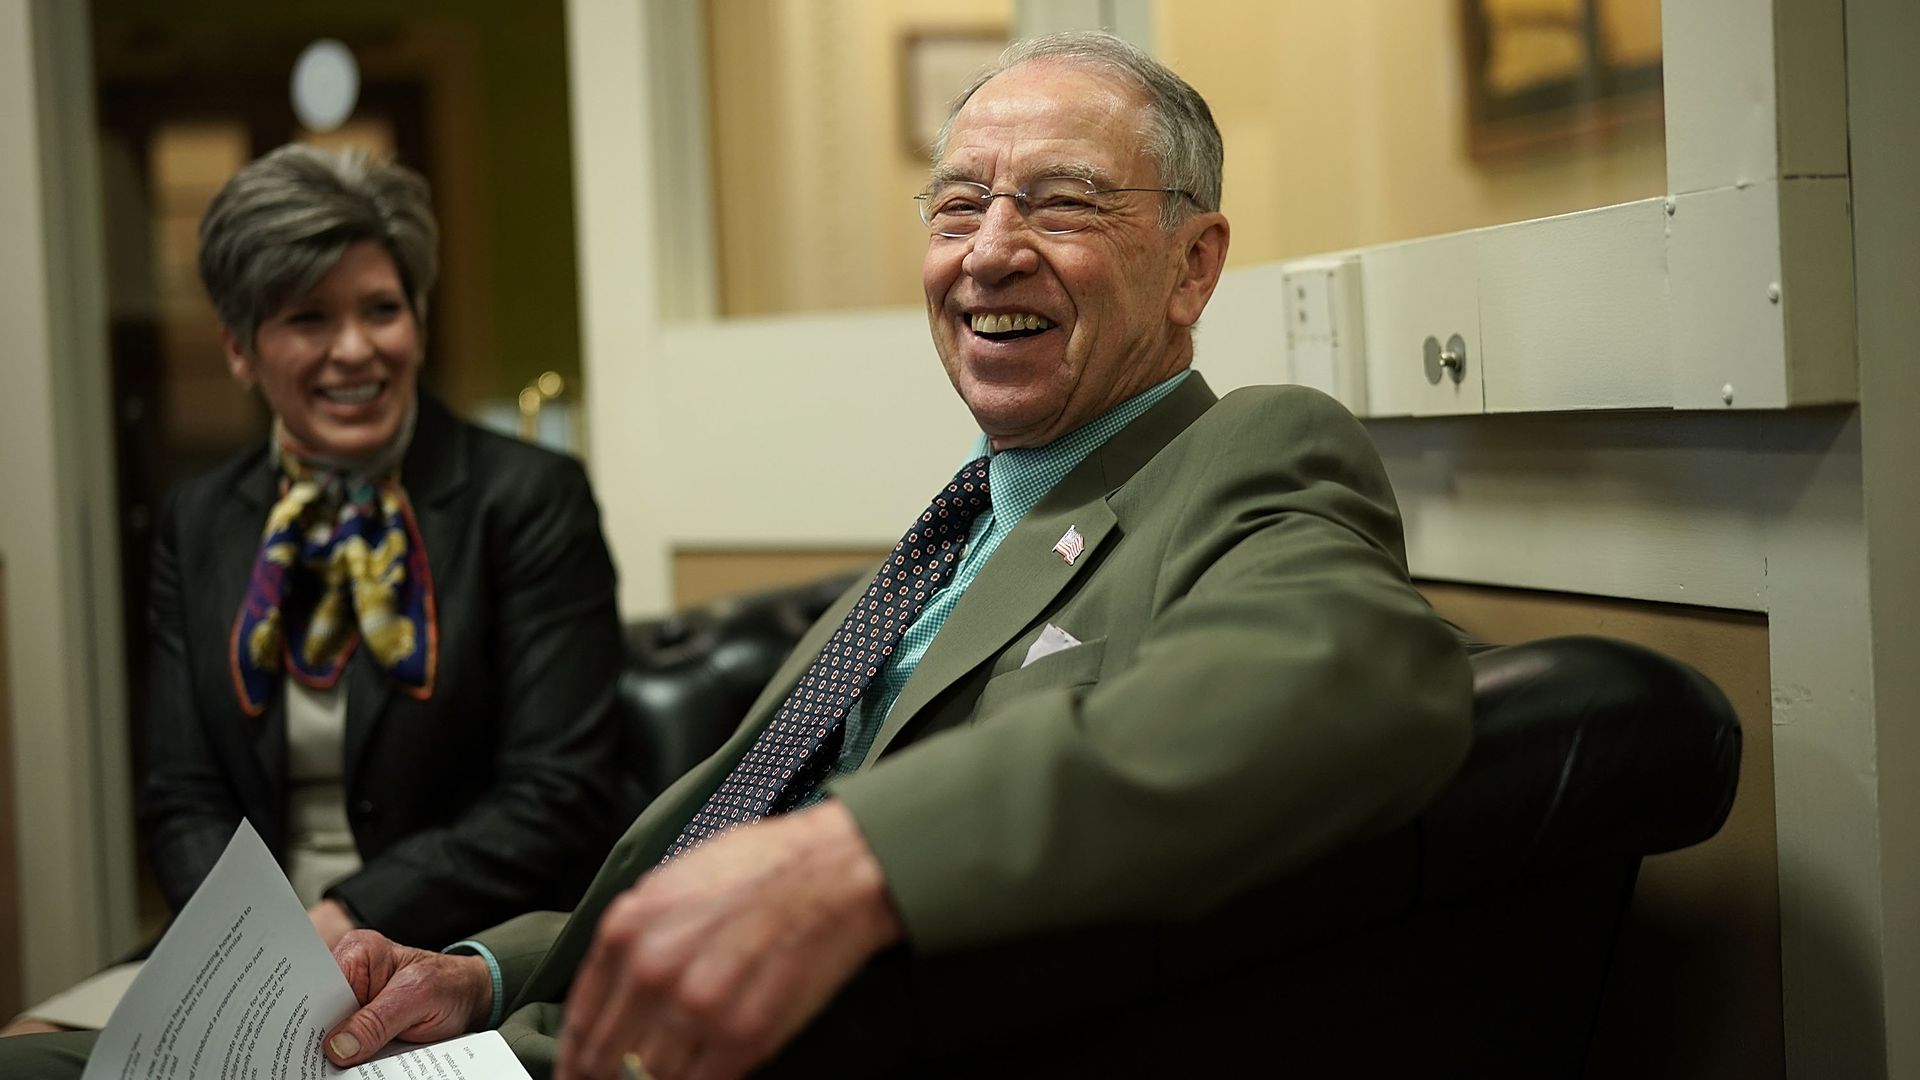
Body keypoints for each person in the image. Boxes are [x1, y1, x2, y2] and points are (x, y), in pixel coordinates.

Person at [0, 31, 1471, 1078]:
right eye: (959, 204)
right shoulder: (964, 528)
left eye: (1063, 202)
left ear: (1196, 263)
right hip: (515, 1027)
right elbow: (684, 857)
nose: (988, 248)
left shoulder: (1253, 452)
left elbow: (1357, 675)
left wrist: (851, 860)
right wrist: (486, 967)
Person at [3, 145, 635, 1038]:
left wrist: (338, 922)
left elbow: (556, 795)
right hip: (242, 967)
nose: (355, 349)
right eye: (308, 317)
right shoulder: (199, 520)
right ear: (237, 347)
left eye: (382, 309)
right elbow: (181, 795)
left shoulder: (529, 498)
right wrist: (249, 953)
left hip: (459, 966)